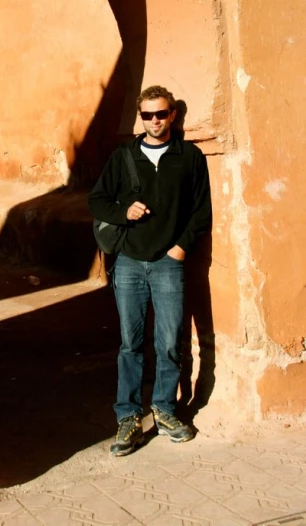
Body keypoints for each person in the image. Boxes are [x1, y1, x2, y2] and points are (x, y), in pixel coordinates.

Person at [88, 85, 212, 456]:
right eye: (147, 115)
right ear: (139, 117)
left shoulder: (189, 156)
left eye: (161, 114)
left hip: (168, 263)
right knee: (131, 344)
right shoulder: (124, 155)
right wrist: (122, 212)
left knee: (170, 341)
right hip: (128, 263)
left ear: (172, 115)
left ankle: (165, 410)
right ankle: (128, 417)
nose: (155, 121)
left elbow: (200, 212)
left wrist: (179, 249)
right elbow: (97, 200)